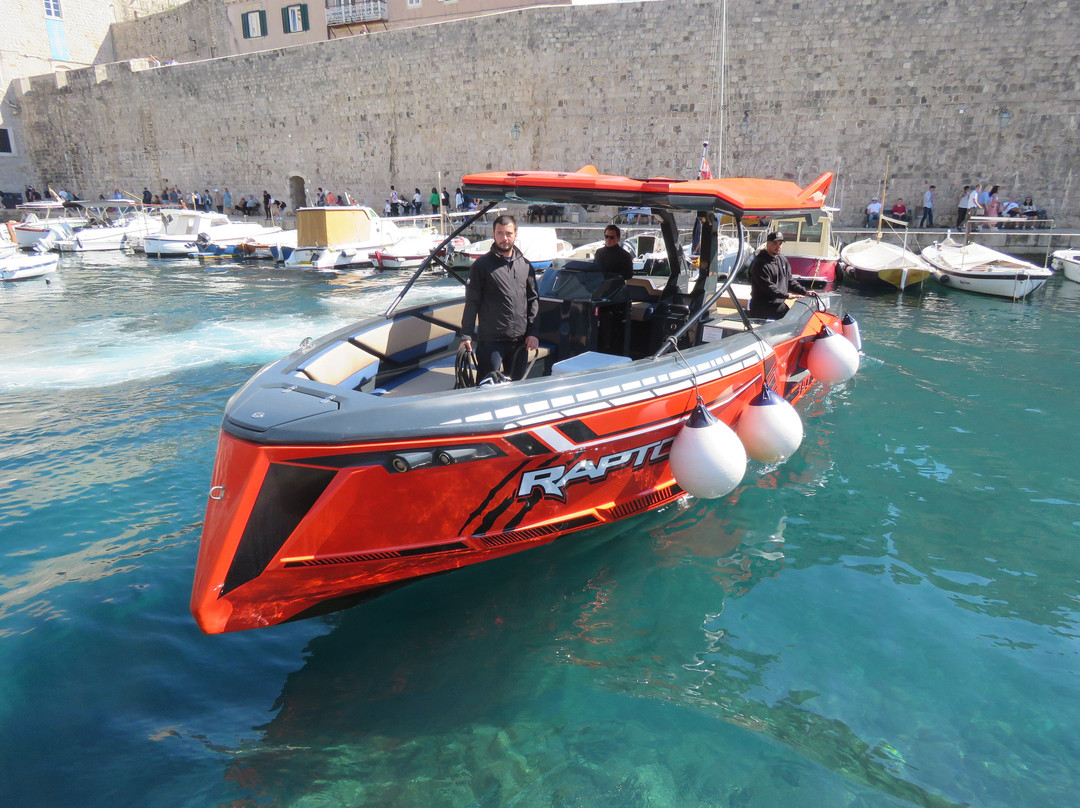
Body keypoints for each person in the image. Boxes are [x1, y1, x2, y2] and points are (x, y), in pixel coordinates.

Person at [460, 214, 539, 381]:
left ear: (515, 235)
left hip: (519, 341)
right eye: (500, 233)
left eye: (509, 233)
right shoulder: (481, 266)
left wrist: (533, 333)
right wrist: (466, 335)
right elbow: (472, 302)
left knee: (517, 388)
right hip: (491, 342)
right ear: (493, 235)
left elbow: (533, 300)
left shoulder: (525, 265)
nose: (505, 238)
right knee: (487, 388)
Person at [747, 231, 814, 320]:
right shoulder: (759, 264)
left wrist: (805, 292)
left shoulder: (783, 260)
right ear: (767, 244)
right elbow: (769, 288)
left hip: (779, 305)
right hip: (762, 308)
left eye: (780, 243)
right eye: (775, 243)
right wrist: (787, 296)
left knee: (799, 319)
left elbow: (790, 281)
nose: (778, 246)